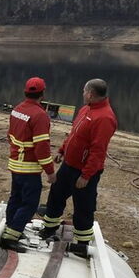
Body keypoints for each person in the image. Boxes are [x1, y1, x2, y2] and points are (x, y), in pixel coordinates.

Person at [40, 79, 118, 255]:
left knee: (83, 206)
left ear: (90, 93)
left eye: (84, 91)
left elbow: (98, 151)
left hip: (84, 172)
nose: (82, 94)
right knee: (56, 195)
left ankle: (82, 243)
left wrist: (86, 175)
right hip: (69, 165)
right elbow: (75, 134)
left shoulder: (105, 117)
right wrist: (62, 150)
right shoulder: (86, 109)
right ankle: (49, 228)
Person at [0, 77, 56, 253]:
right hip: (29, 167)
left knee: (15, 198)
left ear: (26, 91)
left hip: (15, 163)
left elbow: (10, 136)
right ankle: (10, 237)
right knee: (30, 203)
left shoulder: (17, 109)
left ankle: (11, 228)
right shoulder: (40, 116)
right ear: (42, 93)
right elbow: (42, 148)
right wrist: (50, 171)